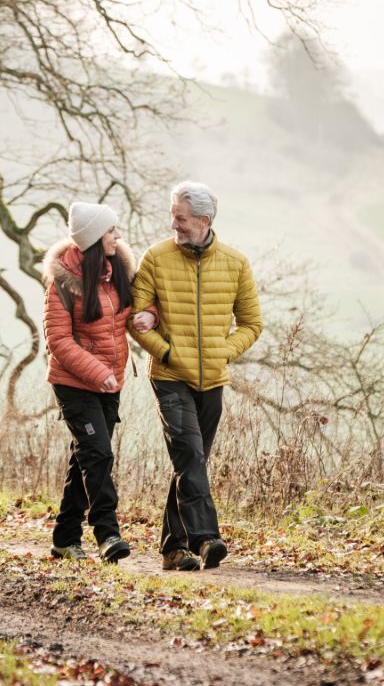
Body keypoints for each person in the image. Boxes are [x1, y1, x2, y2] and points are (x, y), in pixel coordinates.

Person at [130, 181, 262, 571]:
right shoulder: (155, 258)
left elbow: (252, 324)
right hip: (170, 375)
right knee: (189, 453)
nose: (174, 223)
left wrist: (223, 351)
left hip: (213, 379)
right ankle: (206, 538)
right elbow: (137, 321)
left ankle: (174, 548)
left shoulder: (236, 264)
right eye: (173, 215)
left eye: (181, 218)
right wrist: (168, 352)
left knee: (192, 461)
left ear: (203, 220)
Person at [43, 200, 135, 563]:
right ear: (96, 237)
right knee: (98, 454)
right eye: (112, 230)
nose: (118, 236)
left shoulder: (120, 272)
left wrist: (149, 317)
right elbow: (59, 342)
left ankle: (64, 539)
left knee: (85, 460)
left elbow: (140, 305)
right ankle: (107, 533)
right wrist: (99, 372)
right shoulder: (62, 284)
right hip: (74, 384)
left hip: (110, 384)